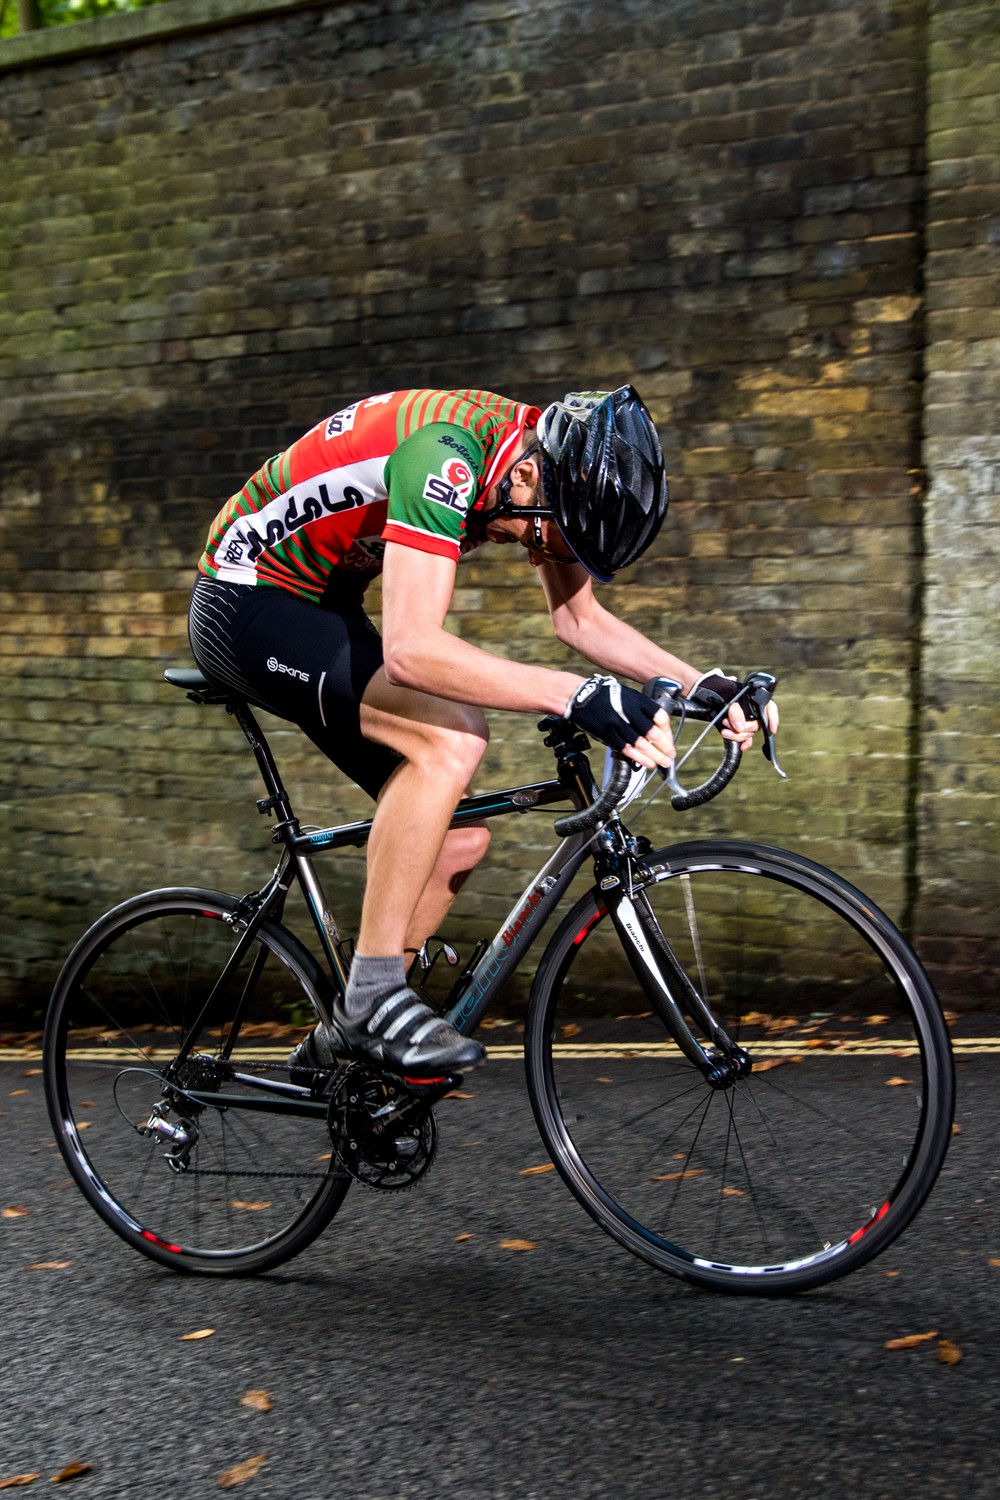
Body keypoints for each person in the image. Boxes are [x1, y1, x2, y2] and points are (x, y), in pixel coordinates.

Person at [188, 385, 778, 1080]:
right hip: (244, 600)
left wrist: (701, 685)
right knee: (452, 740)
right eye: (544, 534)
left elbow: (579, 622)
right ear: (527, 477)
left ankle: (339, 1044)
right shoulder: (445, 455)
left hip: (324, 602)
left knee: (455, 840)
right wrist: (577, 693)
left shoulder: (544, 465)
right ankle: (373, 997)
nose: (539, 549)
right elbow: (413, 651)